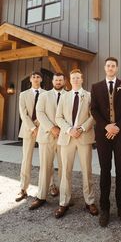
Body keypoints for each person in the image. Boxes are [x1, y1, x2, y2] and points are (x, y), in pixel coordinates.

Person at [91, 57, 121, 227]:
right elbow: (93, 109)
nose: (110, 68)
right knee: (105, 171)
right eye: (108, 65)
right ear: (104, 68)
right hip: (103, 135)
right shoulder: (96, 87)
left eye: (113, 66)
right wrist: (106, 126)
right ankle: (105, 210)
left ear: (117, 68)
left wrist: (116, 127)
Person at [54, 69, 98, 218]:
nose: (75, 80)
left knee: (87, 170)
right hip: (67, 137)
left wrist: (82, 128)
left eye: (78, 78)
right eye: (73, 78)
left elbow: (94, 116)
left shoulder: (90, 96)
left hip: (84, 137)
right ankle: (63, 202)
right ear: (70, 80)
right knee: (65, 170)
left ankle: (89, 201)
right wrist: (69, 130)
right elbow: (58, 117)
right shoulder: (64, 97)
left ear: (82, 79)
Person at [29, 73, 66, 210]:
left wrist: (63, 129)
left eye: (60, 80)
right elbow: (40, 113)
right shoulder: (44, 95)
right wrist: (52, 128)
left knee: (64, 168)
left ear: (64, 81)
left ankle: (65, 197)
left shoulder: (68, 95)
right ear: (52, 81)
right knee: (45, 167)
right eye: (56, 80)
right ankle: (41, 196)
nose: (58, 82)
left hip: (64, 136)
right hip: (46, 135)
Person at [16, 71, 46, 202]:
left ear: (41, 79)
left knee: (45, 159)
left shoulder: (46, 94)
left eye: (38, 76)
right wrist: (33, 127)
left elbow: (47, 111)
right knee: (26, 159)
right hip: (28, 129)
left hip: (43, 129)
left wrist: (39, 124)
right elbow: (23, 113)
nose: (35, 78)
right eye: (33, 76)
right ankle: (23, 188)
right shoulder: (23, 95)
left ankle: (50, 185)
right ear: (30, 79)